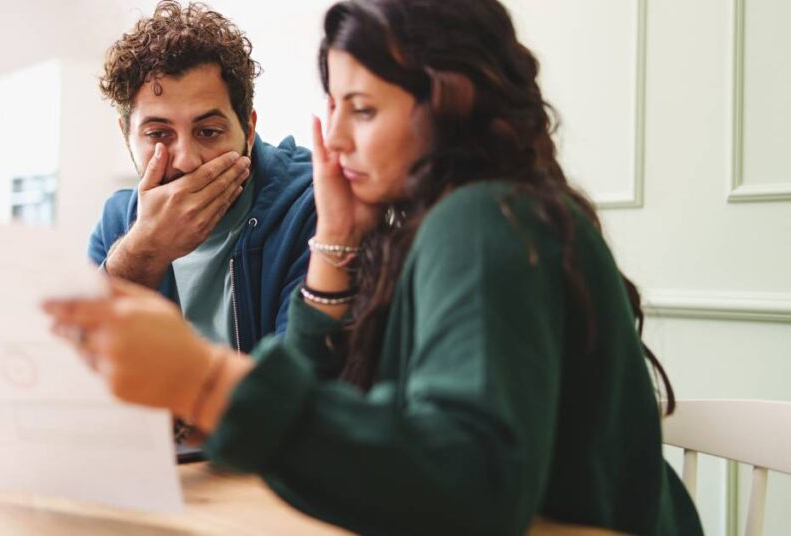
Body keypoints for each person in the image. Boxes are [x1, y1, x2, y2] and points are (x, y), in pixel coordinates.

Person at [46, 0, 704, 534]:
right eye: (336, 109)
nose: (331, 139)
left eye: (362, 110)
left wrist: (206, 381)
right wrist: (335, 239)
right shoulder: (436, 222)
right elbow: (346, 407)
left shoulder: (484, 221)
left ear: (449, 105)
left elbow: (473, 487)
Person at [89, 1, 316, 353]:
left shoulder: (308, 209)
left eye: (208, 131)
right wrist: (143, 249)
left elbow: (299, 389)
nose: (186, 161)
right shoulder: (119, 222)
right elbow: (76, 370)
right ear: (126, 136)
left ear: (249, 129)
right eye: (159, 134)